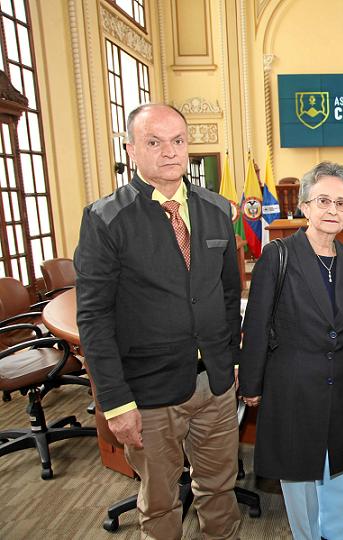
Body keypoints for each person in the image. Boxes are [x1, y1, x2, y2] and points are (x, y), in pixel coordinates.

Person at [75, 104, 242, 539]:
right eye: (154, 142)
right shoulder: (105, 218)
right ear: (131, 149)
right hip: (148, 393)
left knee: (221, 491)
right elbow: (93, 317)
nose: (170, 152)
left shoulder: (217, 209)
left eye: (178, 141)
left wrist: (233, 360)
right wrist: (115, 402)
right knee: (161, 501)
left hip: (215, 386)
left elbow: (228, 294)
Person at [239, 161, 343, 540]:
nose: (332, 210)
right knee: (299, 479)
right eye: (323, 200)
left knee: (339, 474)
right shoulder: (278, 256)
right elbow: (257, 324)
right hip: (292, 387)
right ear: (305, 206)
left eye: (341, 204)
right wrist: (251, 384)